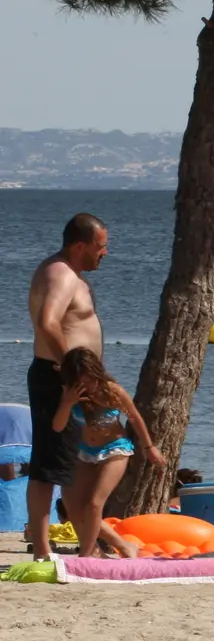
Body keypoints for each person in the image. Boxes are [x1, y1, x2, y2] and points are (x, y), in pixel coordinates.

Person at [25, 213, 108, 562]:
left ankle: (90, 543)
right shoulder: (61, 274)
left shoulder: (67, 273)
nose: (104, 253)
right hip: (58, 378)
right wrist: (73, 370)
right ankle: (42, 551)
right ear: (79, 245)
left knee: (69, 462)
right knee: (48, 465)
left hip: (69, 378)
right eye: (100, 247)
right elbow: (47, 321)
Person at [52, 348, 162, 558]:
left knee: (94, 504)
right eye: (80, 382)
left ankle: (85, 555)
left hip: (115, 449)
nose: (86, 387)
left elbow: (135, 418)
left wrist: (149, 447)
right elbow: (57, 426)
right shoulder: (71, 394)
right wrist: (67, 403)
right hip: (85, 451)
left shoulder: (112, 391)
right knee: (73, 506)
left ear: (96, 373)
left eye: (89, 381)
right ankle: (103, 550)